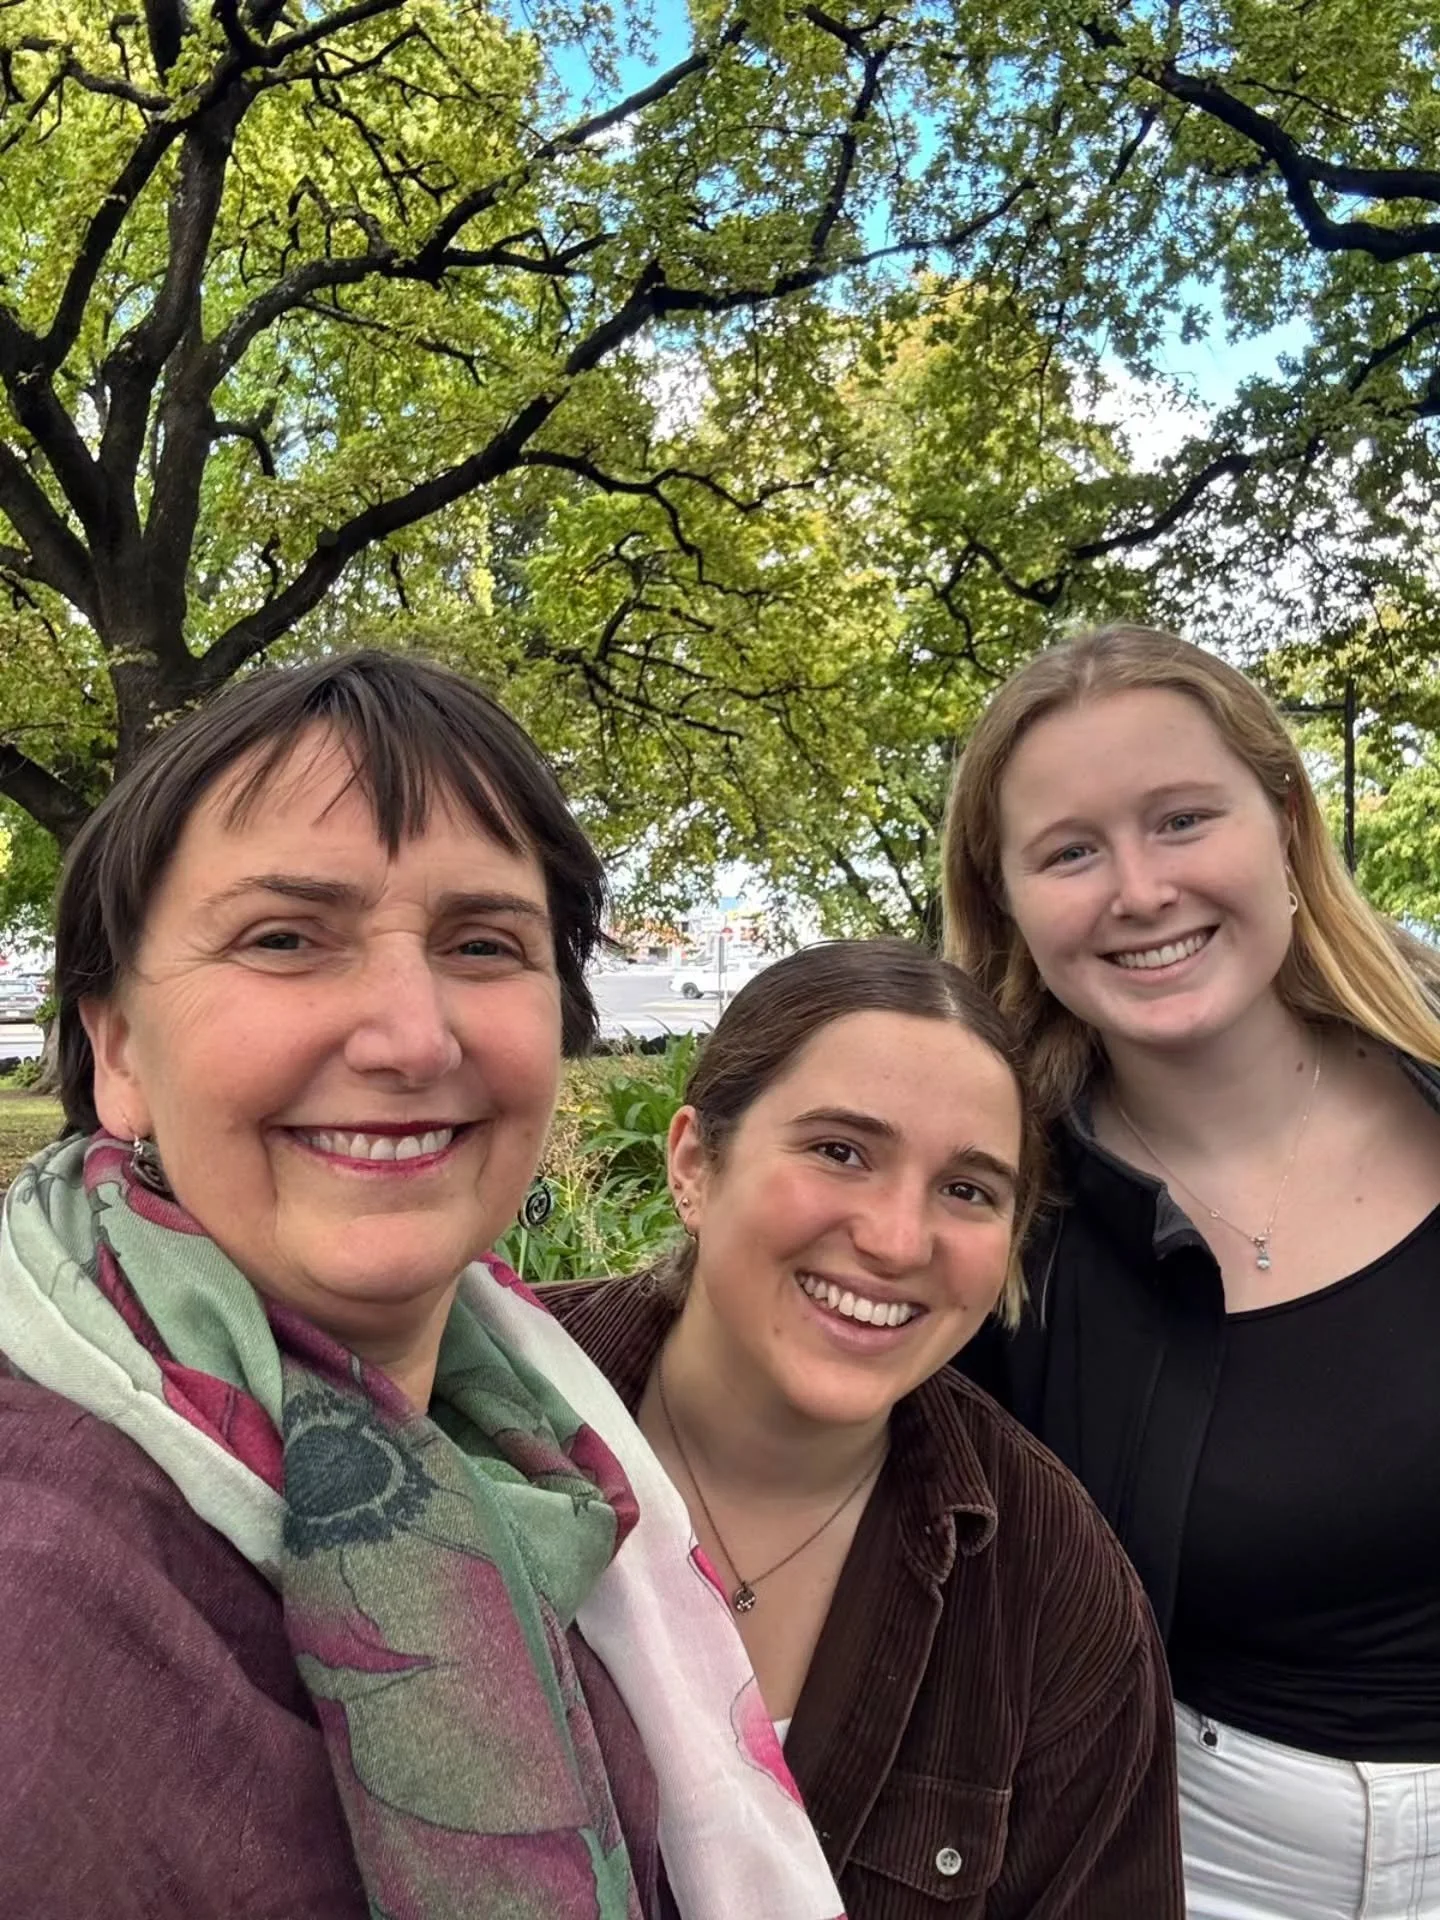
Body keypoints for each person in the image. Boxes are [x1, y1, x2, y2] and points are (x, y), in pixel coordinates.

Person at [0, 651, 845, 1920]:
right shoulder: (42, 1588)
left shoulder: (538, 1441)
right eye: (286, 939)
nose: (411, 1036)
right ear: (116, 1047)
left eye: (483, 944)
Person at [945, 622, 1440, 1920]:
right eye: (1070, 851)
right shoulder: (993, 1224)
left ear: (1285, 823)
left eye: (1181, 820)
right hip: (1200, 1865)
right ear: (1006, 902)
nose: (1139, 890)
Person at [546, 938, 1184, 1920]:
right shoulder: (469, 1409)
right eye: (839, 1151)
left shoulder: (1051, 1590)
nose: (895, 1240)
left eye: (967, 1189)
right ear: (694, 1164)